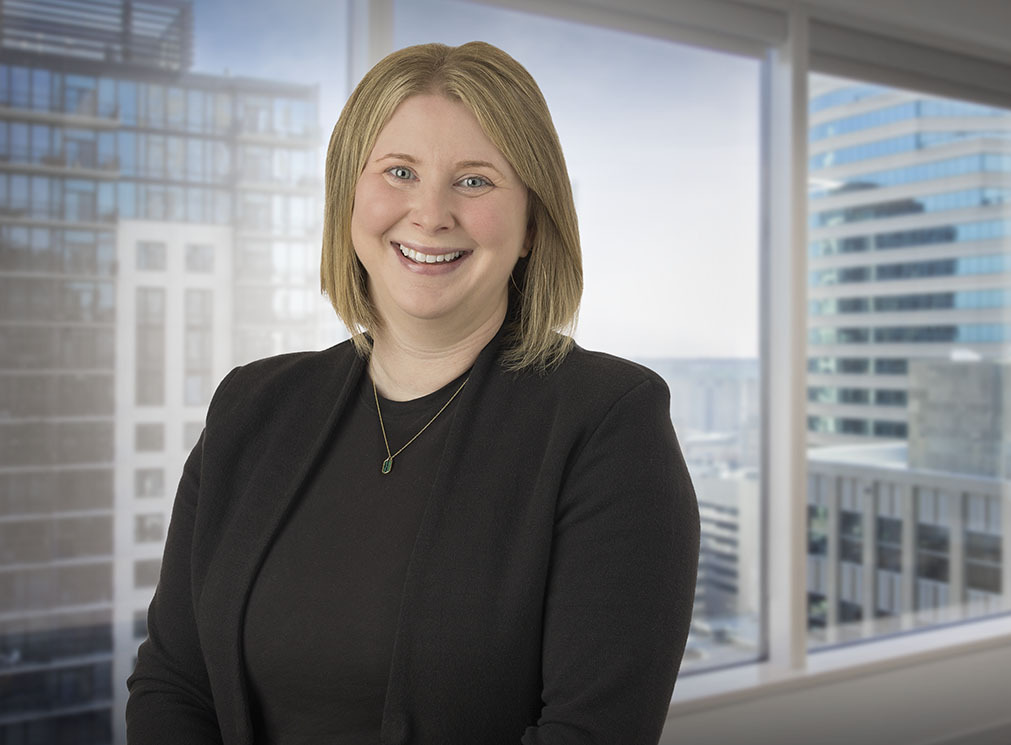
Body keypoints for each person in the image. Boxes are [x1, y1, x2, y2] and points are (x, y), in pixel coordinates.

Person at [126, 41, 699, 745]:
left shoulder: (610, 423)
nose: (430, 214)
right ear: (349, 198)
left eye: (476, 181)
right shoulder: (250, 406)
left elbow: (590, 731)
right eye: (399, 171)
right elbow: (172, 684)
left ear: (531, 226)